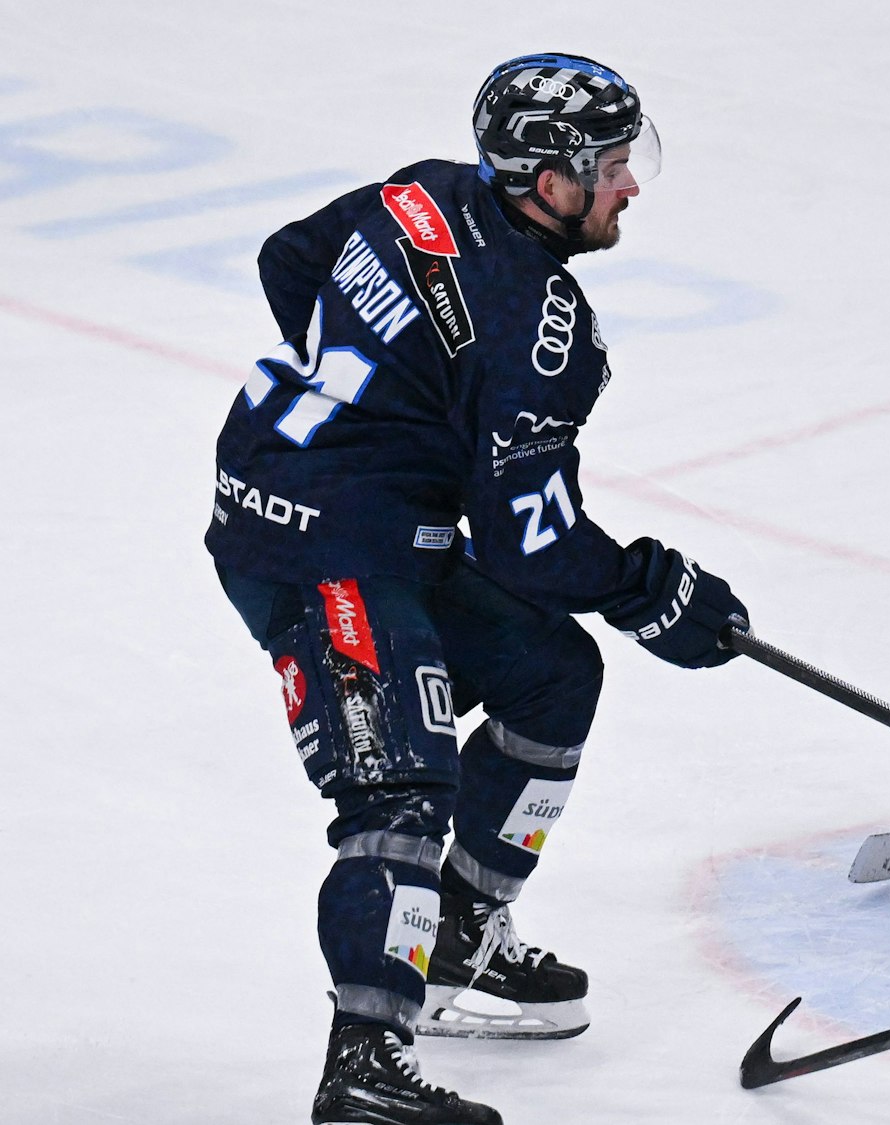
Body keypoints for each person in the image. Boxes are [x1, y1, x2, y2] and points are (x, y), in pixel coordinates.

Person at [207, 54, 748, 1124]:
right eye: (609, 164)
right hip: (321, 550)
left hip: (324, 502)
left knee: (550, 673)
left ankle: (459, 930)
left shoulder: (424, 189)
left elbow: (291, 261)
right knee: (399, 789)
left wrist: (383, 398)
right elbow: (529, 549)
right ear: (547, 181)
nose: (629, 184)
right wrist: (653, 591)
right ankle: (361, 1066)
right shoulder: (541, 332)